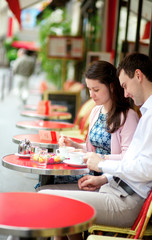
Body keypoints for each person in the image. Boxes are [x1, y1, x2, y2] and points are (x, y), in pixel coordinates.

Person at [39, 53, 152, 240]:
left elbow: (145, 169)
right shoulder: (146, 113)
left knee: (49, 198)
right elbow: (134, 162)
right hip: (117, 189)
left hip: (126, 200)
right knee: (51, 200)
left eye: (125, 86)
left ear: (138, 76)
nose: (125, 94)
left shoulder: (139, 115)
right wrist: (105, 177)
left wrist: (101, 165)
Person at [37, 60, 139, 188]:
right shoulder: (96, 111)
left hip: (107, 177)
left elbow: (127, 158)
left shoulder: (128, 116)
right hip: (90, 170)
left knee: (50, 182)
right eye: (89, 89)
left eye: (96, 89)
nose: (91, 95)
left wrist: (100, 159)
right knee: (48, 175)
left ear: (111, 86)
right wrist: (74, 145)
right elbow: (91, 150)